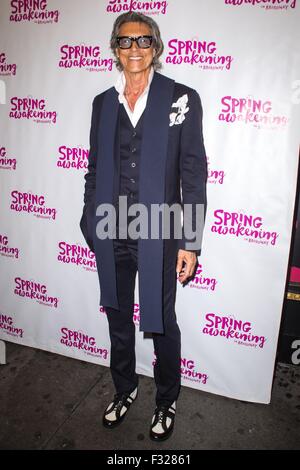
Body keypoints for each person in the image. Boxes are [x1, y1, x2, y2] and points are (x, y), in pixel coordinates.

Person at [80, 11, 207, 442]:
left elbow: (193, 175)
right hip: (110, 228)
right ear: (115, 47)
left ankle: (166, 398)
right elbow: (94, 169)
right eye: (125, 40)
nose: (134, 49)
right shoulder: (103, 102)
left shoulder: (180, 98)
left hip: (160, 231)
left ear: (156, 46)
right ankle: (124, 388)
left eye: (143, 40)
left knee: (161, 321)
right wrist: (88, 218)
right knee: (118, 317)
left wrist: (191, 241)